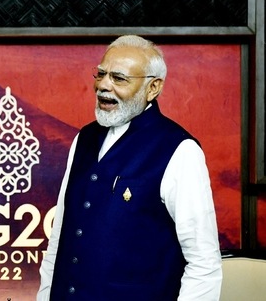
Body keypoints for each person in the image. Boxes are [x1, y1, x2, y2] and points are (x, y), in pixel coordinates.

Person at [37, 35, 222, 300]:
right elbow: (60, 238)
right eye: (100, 74)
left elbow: (203, 262)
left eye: (119, 78)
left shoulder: (180, 150)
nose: (103, 86)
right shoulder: (83, 139)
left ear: (153, 88)